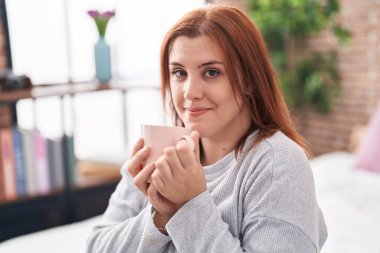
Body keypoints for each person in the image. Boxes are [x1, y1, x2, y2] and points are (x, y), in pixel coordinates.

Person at [87, 5, 327, 253]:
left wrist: (189, 204)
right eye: (179, 73)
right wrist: (160, 218)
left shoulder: (279, 163)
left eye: (211, 72)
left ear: (249, 81)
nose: (190, 92)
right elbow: (96, 247)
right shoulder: (158, 152)